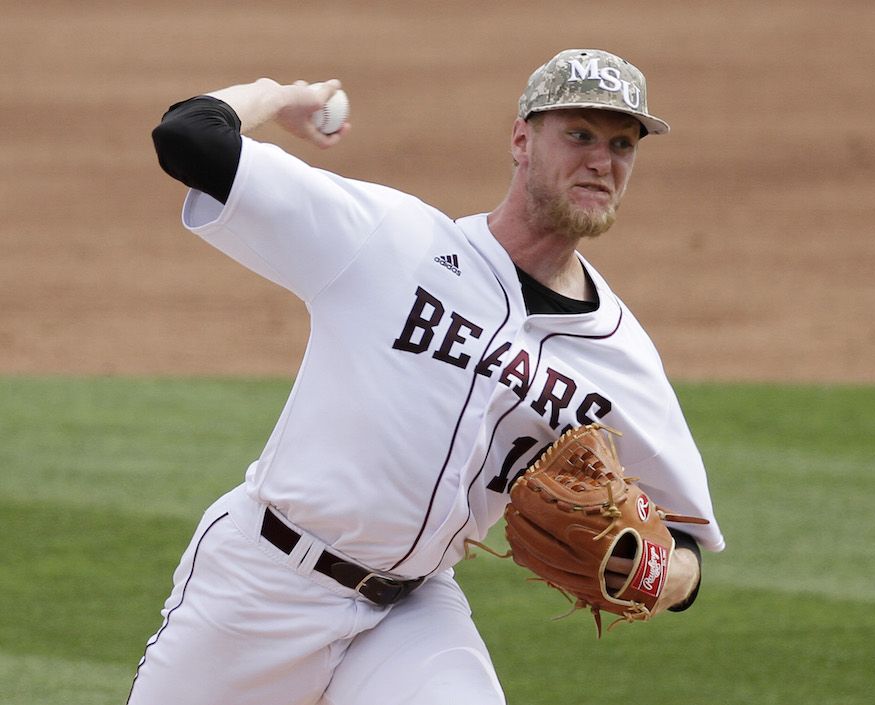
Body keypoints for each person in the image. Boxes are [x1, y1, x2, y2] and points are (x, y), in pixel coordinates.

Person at [131, 48, 725, 705]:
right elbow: (187, 136)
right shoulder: (393, 240)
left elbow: (688, 539)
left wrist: (646, 572)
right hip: (260, 584)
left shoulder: (622, 360)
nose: (601, 160)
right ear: (522, 139)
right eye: (579, 134)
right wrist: (278, 94)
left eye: (621, 144)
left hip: (409, 613)